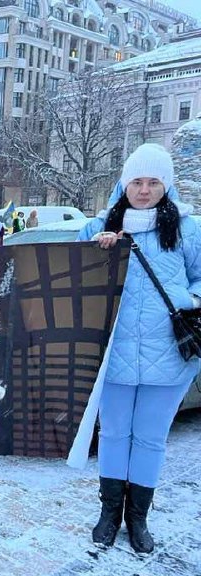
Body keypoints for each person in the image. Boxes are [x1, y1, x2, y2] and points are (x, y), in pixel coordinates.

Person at [77, 143, 201, 554]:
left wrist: (189, 299)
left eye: (153, 182)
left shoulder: (188, 228)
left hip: (169, 355)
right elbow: (74, 274)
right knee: (113, 434)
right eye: (137, 181)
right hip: (114, 356)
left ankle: (138, 518)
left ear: (165, 185)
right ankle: (109, 513)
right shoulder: (98, 226)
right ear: (124, 183)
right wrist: (95, 251)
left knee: (150, 439)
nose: (144, 190)